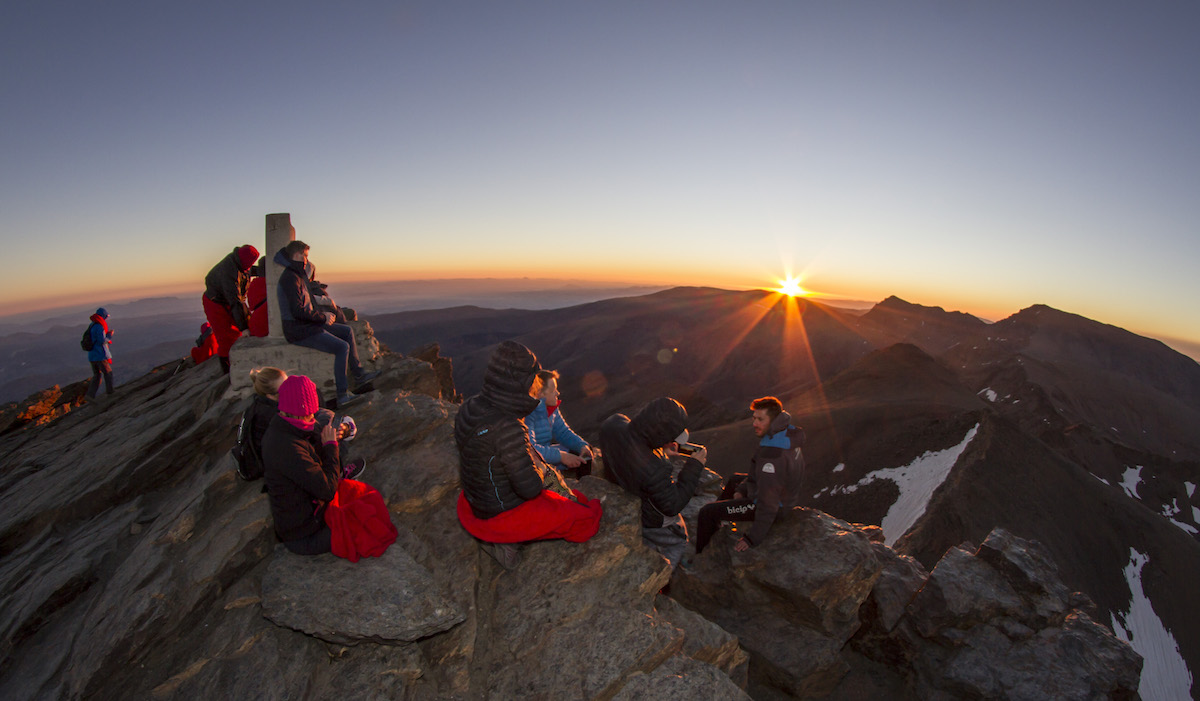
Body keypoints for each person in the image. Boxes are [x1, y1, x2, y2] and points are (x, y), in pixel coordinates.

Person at [454, 341, 604, 568]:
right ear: (522, 382)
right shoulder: (509, 426)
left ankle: (501, 537)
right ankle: (505, 545)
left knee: (573, 500)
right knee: (584, 519)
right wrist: (543, 469)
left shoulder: (470, 406)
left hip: (476, 499)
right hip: (499, 513)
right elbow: (531, 488)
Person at [262, 375, 366, 556]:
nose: (313, 418)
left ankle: (342, 478)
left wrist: (344, 431)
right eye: (310, 414)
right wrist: (331, 448)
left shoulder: (288, 426)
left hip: (310, 516)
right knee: (367, 518)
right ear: (297, 411)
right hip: (305, 536)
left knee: (365, 500)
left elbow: (323, 432)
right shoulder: (286, 447)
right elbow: (327, 490)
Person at [599, 397, 706, 569]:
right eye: (670, 437)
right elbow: (672, 505)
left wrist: (660, 449)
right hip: (647, 515)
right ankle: (661, 578)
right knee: (678, 540)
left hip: (621, 488)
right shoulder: (656, 468)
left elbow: (634, 446)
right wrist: (694, 466)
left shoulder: (612, 424)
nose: (672, 442)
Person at [694, 396, 805, 555]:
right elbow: (759, 477)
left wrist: (752, 538)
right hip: (781, 493)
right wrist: (742, 488)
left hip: (774, 506)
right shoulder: (785, 434)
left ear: (774, 420)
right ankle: (721, 521)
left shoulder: (772, 455)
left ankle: (702, 556)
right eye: (754, 418)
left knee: (707, 512)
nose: (754, 424)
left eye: (760, 419)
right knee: (734, 480)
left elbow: (768, 504)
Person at [274, 240, 377, 408]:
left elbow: (307, 305)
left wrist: (323, 315)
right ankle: (342, 395)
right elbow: (297, 311)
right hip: (299, 330)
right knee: (341, 347)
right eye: (305, 256)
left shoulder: (296, 275)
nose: (307, 260)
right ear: (296, 255)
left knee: (347, 331)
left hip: (306, 324)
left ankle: (359, 374)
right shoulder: (290, 279)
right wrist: (322, 318)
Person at [247, 367, 364, 482]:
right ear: (270, 396)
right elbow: (306, 435)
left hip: (285, 454)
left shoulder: (267, 404)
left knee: (323, 415)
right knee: (329, 432)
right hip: (286, 463)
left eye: (289, 383)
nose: (290, 389)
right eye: (284, 389)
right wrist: (337, 432)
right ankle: (338, 475)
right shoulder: (272, 416)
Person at [524, 369, 596, 478]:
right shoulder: (528, 413)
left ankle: (583, 484)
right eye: (553, 390)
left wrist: (581, 446)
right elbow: (531, 449)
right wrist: (561, 456)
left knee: (582, 454)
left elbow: (563, 432)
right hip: (532, 462)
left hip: (547, 456)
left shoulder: (552, 409)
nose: (557, 393)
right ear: (540, 393)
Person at [202, 244, 259, 373]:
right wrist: (243, 328)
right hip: (215, 303)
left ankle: (241, 362)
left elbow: (248, 271)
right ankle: (227, 372)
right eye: (248, 265)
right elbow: (235, 301)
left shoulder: (239, 262)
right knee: (225, 338)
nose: (249, 268)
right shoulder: (228, 272)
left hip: (228, 300)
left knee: (251, 326)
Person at [84, 307, 115, 400]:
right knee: (108, 373)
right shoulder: (100, 326)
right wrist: (109, 335)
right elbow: (102, 341)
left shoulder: (92, 325)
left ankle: (90, 395)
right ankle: (110, 393)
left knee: (97, 376)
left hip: (92, 356)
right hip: (100, 355)